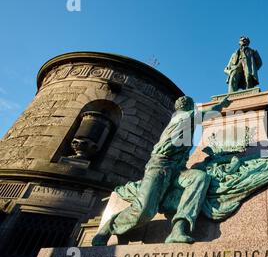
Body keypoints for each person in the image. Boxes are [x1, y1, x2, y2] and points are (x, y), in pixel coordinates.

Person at [92, 95, 231, 245]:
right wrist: (221, 105)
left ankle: (179, 229)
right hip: (160, 166)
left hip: (177, 169)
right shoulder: (182, 117)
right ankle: (108, 227)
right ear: (188, 108)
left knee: (199, 177)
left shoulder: (186, 124)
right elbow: (205, 114)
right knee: (145, 212)